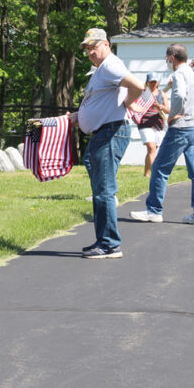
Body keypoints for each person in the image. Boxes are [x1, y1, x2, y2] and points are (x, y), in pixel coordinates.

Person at [69, 28, 145, 259]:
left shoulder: (110, 65)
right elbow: (105, 100)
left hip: (110, 132)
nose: (91, 51)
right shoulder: (103, 69)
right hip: (104, 132)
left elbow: (138, 86)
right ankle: (104, 241)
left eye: (95, 46)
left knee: (104, 191)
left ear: (107, 44)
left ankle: (110, 244)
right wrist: (78, 116)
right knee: (101, 189)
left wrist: (128, 103)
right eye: (87, 48)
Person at [130, 43, 194, 225]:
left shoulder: (180, 73)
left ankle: (154, 210)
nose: (167, 61)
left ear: (172, 57)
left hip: (181, 127)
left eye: (167, 57)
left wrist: (172, 115)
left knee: (159, 168)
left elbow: (180, 96)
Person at [133, 72, 170, 177]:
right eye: (151, 81)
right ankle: (153, 175)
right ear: (147, 82)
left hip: (159, 124)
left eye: (155, 81)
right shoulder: (142, 93)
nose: (153, 84)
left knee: (154, 149)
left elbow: (168, 110)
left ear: (158, 82)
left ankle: (147, 173)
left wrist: (161, 107)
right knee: (151, 147)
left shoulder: (162, 94)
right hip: (145, 123)